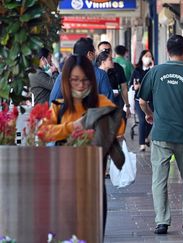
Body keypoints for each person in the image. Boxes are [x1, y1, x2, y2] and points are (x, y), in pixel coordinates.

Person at [39, 55, 125, 235]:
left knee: (93, 234)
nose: (80, 85)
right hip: (64, 183)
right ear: (66, 81)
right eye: (75, 80)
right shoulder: (58, 106)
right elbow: (44, 132)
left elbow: (119, 127)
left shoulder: (101, 102)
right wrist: (72, 127)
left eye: (85, 80)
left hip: (93, 183)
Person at [138, 35, 183, 235]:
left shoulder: (155, 72)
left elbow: (142, 101)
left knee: (159, 179)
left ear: (167, 50)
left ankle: (162, 221)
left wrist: (149, 115)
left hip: (161, 133)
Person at [49, 37, 114, 102]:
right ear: (89, 54)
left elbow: (53, 101)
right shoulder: (100, 74)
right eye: (94, 52)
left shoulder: (64, 74)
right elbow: (109, 102)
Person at [97, 41, 131, 119]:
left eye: (109, 50)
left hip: (116, 103)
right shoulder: (93, 68)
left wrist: (127, 105)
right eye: (104, 50)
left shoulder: (117, 67)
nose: (107, 52)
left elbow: (124, 88)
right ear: (98, 51)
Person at [130, 50, 154, 151]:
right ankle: (142, 144)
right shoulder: (137, 70)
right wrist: (134, 87)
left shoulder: (154, 70)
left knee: (151, 121)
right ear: (142, 57)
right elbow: (131, 84)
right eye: (146, 56)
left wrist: (153, 68)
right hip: (138, 100)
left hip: (151, 100)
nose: (148, 57)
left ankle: (145, 137)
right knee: (143, 120)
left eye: (150, 56)